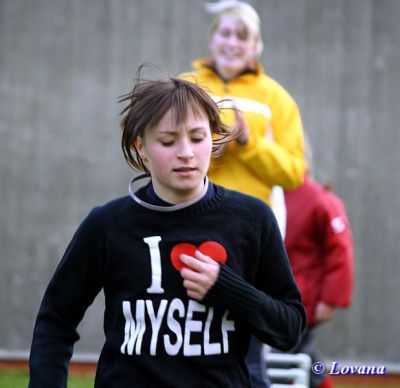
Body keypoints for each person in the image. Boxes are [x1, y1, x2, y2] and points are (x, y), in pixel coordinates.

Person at [28, 67, 306, 387]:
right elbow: (56, 320)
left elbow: (289, 329)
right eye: (168, 141)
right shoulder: (107, 225)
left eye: (197, 138)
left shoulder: (252, 219)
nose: (185, 153)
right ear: (141, 146)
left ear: (213, 139)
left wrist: (228, 290)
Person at [179, 1, 307, 386]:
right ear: (211, 37)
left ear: (256, 46)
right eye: (224, 33)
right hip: (188, 224)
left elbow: (293, 173)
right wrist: (211, 148)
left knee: (246, 346)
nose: (232, 43)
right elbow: (170, 153)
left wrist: (248, 142)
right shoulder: (187, 85)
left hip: (246, 233)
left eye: (242, 36)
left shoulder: (276, 98)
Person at [283, 172, 354, 388]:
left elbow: (340, 250)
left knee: (295, 356)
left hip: (302, 302)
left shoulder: (319, 200)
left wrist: (330, 298)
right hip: (280, 300)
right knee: (300, 357)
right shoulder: (270, 195)